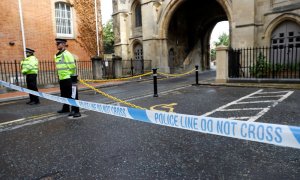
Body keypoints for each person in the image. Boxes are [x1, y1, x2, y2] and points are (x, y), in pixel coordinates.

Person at [54, 38, 81, 117]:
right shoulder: (58, 55)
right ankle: (65, 108)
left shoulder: (67, 54)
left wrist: (71, 76)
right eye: (56, 44)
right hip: (62, 78)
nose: (56, 45)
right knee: (64, 94)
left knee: (72, 94)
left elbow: (72, 66)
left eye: (58, 44)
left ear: (63, 44)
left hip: (69, 78)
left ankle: (76, 111)